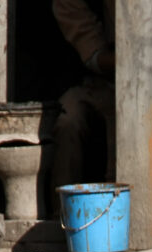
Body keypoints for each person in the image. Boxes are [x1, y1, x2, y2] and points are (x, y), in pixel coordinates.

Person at [51, 0, 115, 189]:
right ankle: (64, 211)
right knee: (67, 118)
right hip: (102, 81)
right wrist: (116, 60)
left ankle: (117, 207)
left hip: (149, 85)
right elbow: (93, 53)